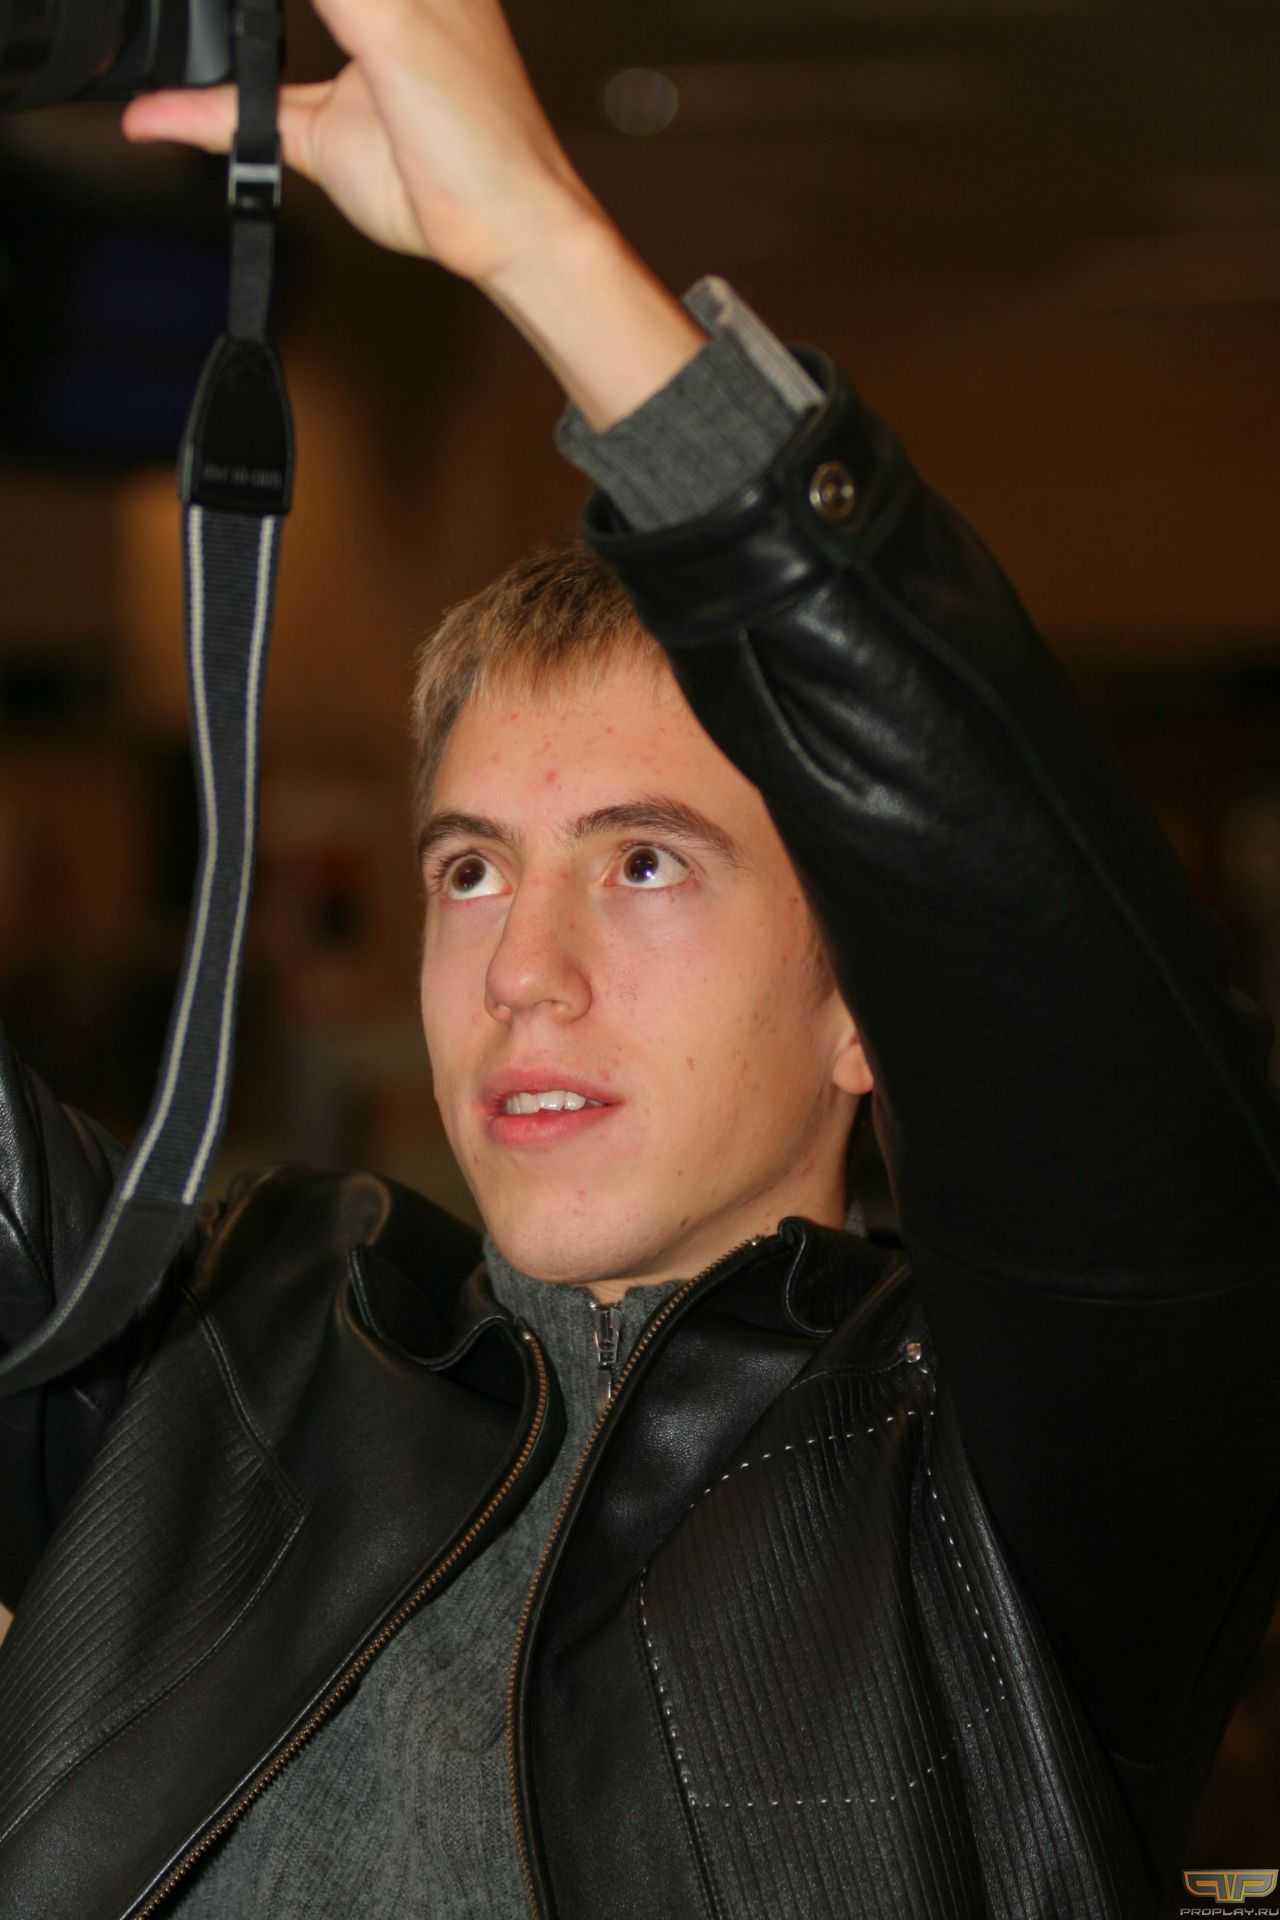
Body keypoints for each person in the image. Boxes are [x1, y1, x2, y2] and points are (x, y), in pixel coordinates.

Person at [0, 2, 1277, 1915]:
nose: (526, 971)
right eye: (472, 871)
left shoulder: (1022, 1477)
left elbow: (1051, 951)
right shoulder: (224, 1360)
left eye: (648, 863)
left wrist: (534, 240)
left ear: (871, 1004)